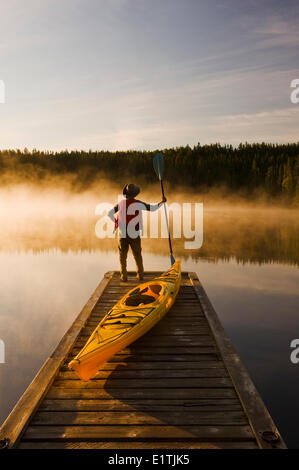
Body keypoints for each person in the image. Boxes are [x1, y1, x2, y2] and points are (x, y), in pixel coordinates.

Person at [108, 183, 166, 282]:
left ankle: (124, 277)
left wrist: (117, 222)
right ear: (135, 194)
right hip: (134, 233)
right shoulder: (138, 203)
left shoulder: (121, 203)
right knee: (137, 255)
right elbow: (152, 208)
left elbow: (109, 214)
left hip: (122, 233)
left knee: (122, 256)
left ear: (126, 194)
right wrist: (162, 202)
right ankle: (140, 276)